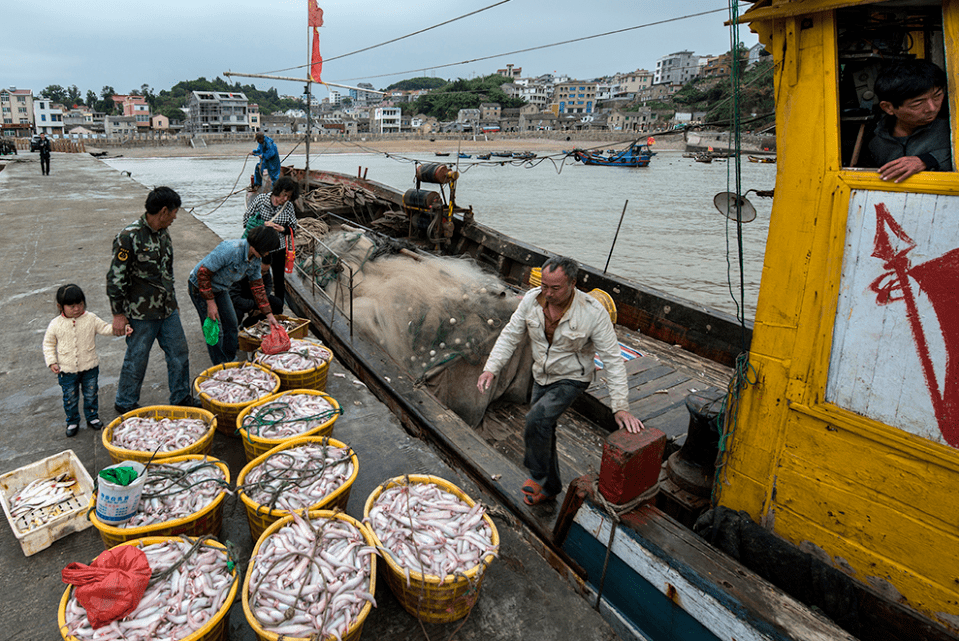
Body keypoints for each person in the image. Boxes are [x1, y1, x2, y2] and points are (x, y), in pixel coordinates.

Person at [477, 257, 644, 506]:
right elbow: (510, 334)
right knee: (546, 429)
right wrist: (491, 368)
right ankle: (552, 487)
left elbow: (612, 359)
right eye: (545, 286)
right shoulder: (532, 301)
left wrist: (620, 406)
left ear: (573, 283)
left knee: (536, 420)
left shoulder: (592, 311)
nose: (548, 293)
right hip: (542, 375)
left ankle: (538, 477)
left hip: (573, 378)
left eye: (555, 288)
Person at [107, 186, 196, 413]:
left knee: (179, 353)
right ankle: (125, 401)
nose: (176, 217)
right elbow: (115, 278)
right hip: (141, 314)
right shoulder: (128, 237)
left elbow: (168, 273)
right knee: (137, 358)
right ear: (164, 211)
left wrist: (173, 303)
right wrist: (118, 314)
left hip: (167, 311)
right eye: (174, 212)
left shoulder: (164, 234)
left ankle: (181, 397)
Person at [44, 284, 131, 437]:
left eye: (80, 304)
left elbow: (105, 328)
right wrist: (52, 361)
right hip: (66, 370)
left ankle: (92, 417)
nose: (77, 308)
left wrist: (122, 329)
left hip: (90, 367)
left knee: (91, 394)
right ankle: (72, 421)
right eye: (71, 306)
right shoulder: (55, 324)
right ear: (60, 306)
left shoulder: (90, 318)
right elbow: (48, 344)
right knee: (70, 397)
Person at [188, 225, 283, 365]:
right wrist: (210, 303)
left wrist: (269, 315)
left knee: (232, 324)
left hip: (221, 288)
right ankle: (220, 365)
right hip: (201, 287)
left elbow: (258, 287)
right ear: (257, 246)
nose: (267, 254)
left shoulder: (256, 259)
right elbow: (203, 273)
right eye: (266, 250)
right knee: (214, 330)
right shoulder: (230, 249)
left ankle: (230, 359)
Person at [869, 59, 952, 183]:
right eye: (918, 103)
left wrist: (927, 160)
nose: (932, 108)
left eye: (937, 96)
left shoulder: (951, 126)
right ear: (888, 107)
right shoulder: (875, 140)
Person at [243, 176, 299, 302]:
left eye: (288, 197)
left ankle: (278, 308)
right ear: (278, 190)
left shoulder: (288, 206)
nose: (284, 199)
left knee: (279, 280)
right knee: (258, 276)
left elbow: (293, 227)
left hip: (279, 249)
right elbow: (246, 220)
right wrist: (263, 225)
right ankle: (255, 303)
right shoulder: (261, 200)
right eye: (284, 195)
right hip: (261, 249)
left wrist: (282, 229)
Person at [230, 255, 284, 328]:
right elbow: (234, 298)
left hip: (257, 297)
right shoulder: (240, 271)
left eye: (264, 272)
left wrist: (259, 307)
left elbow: (268, 288)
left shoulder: (265, 271)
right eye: (260, 271)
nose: (261, 275)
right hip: (242, 298)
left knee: (277, 303)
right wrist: (252, 307)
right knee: (236, 314)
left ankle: (249, 324)